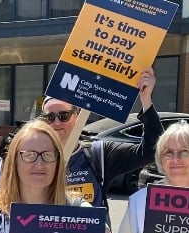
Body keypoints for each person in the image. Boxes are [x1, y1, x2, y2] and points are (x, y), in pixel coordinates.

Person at [41, 67, 163, 212]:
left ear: (77, 117)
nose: (56, 122)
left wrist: (146, 99)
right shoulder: (32, 156)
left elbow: (152, 150)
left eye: (63, 116)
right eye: (49, 117)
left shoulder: (98, 154)